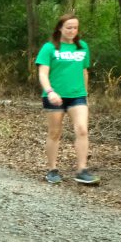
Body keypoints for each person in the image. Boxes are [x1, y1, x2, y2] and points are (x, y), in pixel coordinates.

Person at [36, 14, 99, 185]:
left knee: (82, 130)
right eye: (68, 27)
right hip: (54, 96)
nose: (72, 31)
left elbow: (84, 72)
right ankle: (52, 169)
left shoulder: (82, 47)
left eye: (75, 28)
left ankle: (82, 170)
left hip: (77, 95)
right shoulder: (49, 48)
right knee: (55, 132)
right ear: (60, 28)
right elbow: (43, 73)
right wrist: (49, 91)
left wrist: (85, 94)